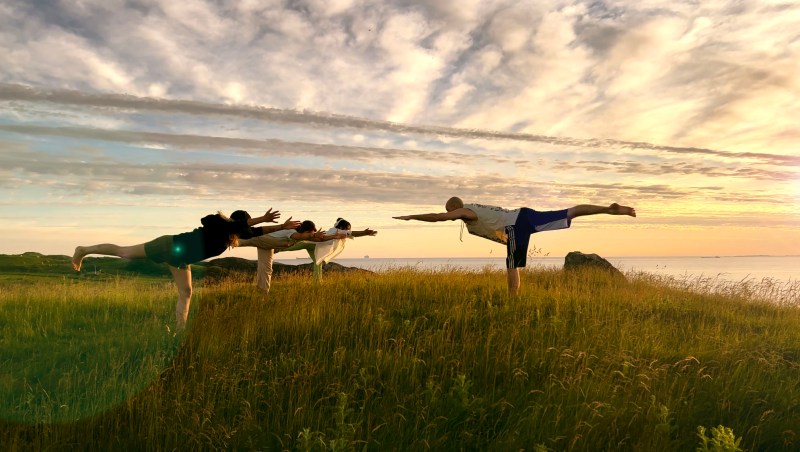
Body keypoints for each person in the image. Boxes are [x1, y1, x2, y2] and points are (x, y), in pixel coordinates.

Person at [71, 208, 292, 329]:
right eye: (244, 225)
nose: (245, 230)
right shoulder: (218, 224)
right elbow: (238, 226)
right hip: (168, 245)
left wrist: (282, 226)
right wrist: (260, 218)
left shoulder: (230, 236)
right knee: (123, 252)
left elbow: (255, 232)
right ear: (238, 222)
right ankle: (84, 250)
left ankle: (179, 329)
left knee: (186, 292)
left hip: (180, 259)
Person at [393, 197, 636, 296]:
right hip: (523, 216)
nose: (451, 216)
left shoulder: (464, 212)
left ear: (454, 208)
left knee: (512, 264)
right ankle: (608, 209)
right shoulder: (476, 209)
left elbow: (437, 217)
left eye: (451, 212)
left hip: (515, 225)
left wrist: (412, 217)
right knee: (569, 212)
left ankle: (513, 300)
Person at [234, 217, 346, 295]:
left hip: (267, 247)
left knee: (266, 269)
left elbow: (318, 239)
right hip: (259, 238)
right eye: (310, 233)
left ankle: (262, 294)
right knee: (233, 241)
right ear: (306, 231)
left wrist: (333, 237)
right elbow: (300, 237)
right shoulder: (292, 232)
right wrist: (314, 235)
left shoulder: (304, 235)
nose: (311, 236)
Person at [275, 218, 378, 281]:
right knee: (287, 246)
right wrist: (364, 233)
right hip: (310, 242)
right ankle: (276, 248)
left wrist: (364, 233)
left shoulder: (337, 232)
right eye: (347, 228)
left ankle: (317, 281)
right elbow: (352, 233)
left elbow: (349, 234)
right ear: (342, 228)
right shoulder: (336, 231)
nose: (349, 230)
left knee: (318, 262)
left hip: (315, 246)